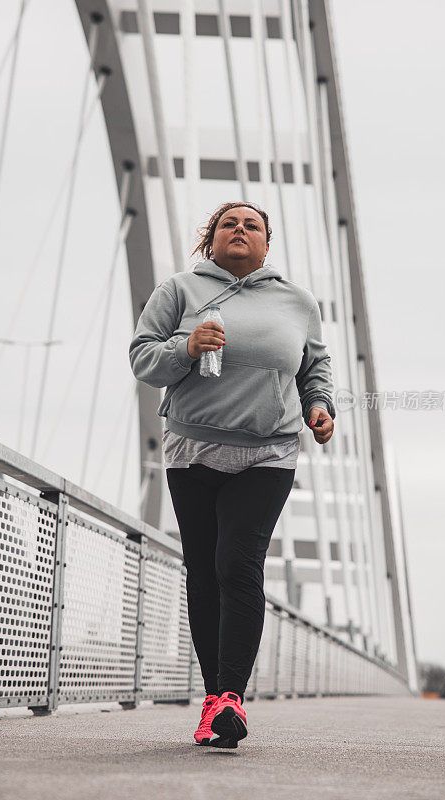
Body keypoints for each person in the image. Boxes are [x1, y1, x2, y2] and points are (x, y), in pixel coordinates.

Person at [129, 201, 335, 748]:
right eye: (228, 224)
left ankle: (229, 699)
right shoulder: (179, 290)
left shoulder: (297, 301)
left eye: (252, 226)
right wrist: (186, 347)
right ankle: (211, 700)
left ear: (267, 244)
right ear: (211, 240)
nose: (239, 230)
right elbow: (142, 358)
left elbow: (315, 367)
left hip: (268, 452)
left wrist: (319, 408)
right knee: (203, 570)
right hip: (193, 449)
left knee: (236, 564)